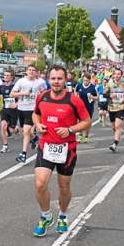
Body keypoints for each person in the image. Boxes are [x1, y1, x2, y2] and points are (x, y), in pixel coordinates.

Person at [32, 66, 91, 236]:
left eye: (59, 78)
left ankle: (63, 216)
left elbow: (86, 122)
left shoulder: (74, 101)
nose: (56, 82)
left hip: (67, 150)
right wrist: (38, 124)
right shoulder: (42, 97)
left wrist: (71, 129)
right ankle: (45, 216)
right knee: (40, 183)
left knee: (64, 187)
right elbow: (36, 114)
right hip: (46, 147)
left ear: (66, 80)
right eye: (53, 78)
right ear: (48, 80)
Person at [10, 65, 45, 162]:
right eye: (29, 70)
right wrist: (23, 93)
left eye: (33, 70)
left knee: (26, 132)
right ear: (26, 71)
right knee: (24, 131)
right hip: (21, 108)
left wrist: (40, 97)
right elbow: (12, 94)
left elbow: (44, 93)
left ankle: (23, 154)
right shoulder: (21, 81)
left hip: (32, 109)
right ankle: (34, 138)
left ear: (36, 72)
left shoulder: (39, 83)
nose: (31, 72)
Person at [104, 68, 124, 152]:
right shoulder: (109, 84)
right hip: (111, 107)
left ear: (121, 76)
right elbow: (104, 95)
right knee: (113, 127)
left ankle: (114, 144)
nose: (116, 75)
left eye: (118, 74)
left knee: (118, 126)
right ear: (113, 75)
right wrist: (110, 96)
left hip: (121, 107)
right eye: (115, 74)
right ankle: (117, 136)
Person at [0, 69, 18, 152]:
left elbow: (21, 98)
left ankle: (16, 130)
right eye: (5, 75)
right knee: (3, 126)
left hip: (14, 110)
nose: (6, 77)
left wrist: (16, 104)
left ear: (11, 77)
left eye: (8, 75)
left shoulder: (15, 87)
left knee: (11, 130)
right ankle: (5, 145)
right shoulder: (1, 86)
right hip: (5, 109)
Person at [73, 73, 99, 143]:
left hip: (89, 107)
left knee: (88, 122)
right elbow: (75, 91)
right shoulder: (79, 85)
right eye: (84, 80)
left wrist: (92, 97)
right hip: (80, 107)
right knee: (80, 121)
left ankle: (86, 136)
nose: (85, 82)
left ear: (89, 80)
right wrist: (76, 97)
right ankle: (80, 135)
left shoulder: (93, 87)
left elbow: (97, 97)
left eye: (87, 80)